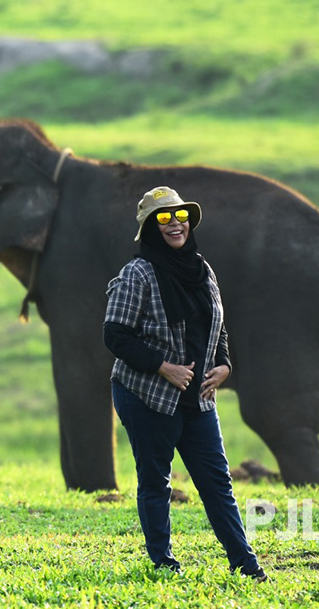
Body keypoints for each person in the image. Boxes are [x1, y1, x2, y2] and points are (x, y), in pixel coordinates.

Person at [102, 186, 268, 581]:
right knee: (155, 481)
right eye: (163, 218)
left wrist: (224, 365)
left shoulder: (202, 269)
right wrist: (163, 367)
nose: (174, 223)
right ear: (149, 228)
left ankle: (245, 564)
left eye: (179, 215)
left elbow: (218, 325)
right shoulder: (137, 274)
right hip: (147, 396)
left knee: (217, 483)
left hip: (197, 399)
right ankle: (163, 562)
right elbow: (116, 335)